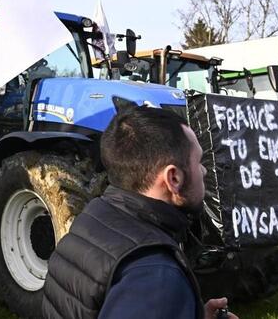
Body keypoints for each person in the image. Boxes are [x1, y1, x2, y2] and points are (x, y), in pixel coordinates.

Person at [41, 106, 238, 319]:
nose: (204, 170)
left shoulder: (95, 215)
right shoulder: (156, 276)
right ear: (173, 179)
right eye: (198, 162)